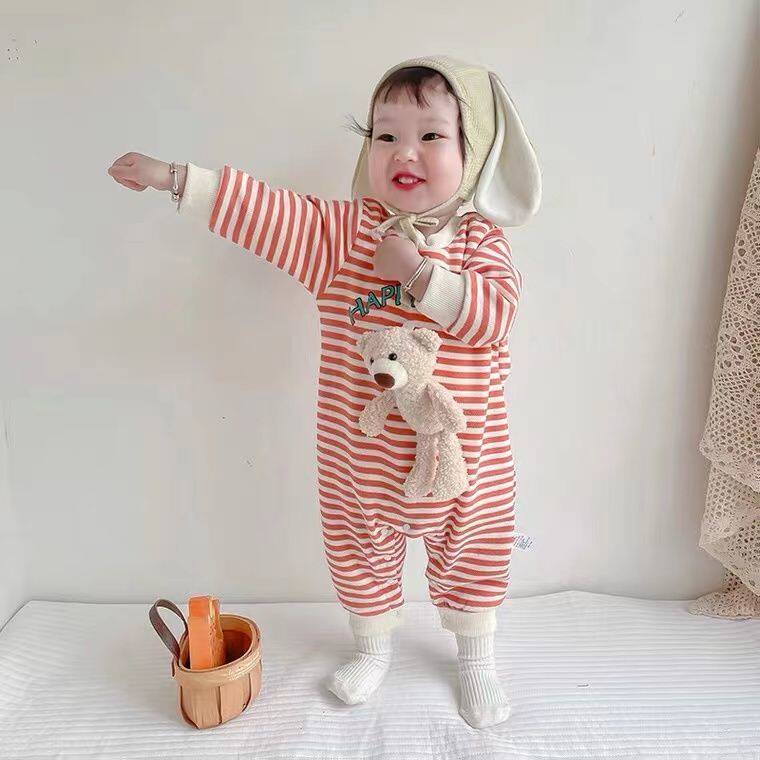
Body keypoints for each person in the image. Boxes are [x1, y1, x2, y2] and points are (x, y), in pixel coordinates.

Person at [107, 54, 541, 728]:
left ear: (473, 150)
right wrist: (174, 178)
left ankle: (476, 658)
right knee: (357, 551)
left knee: (475, 553)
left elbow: (496, 318)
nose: (405, 152)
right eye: (385, 134)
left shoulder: (481, 242)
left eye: (431, 135)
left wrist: (420, 275)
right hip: (360, 464)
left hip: (467, 468)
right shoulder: (342, 236)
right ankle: (371, 648)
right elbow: (265, 212)